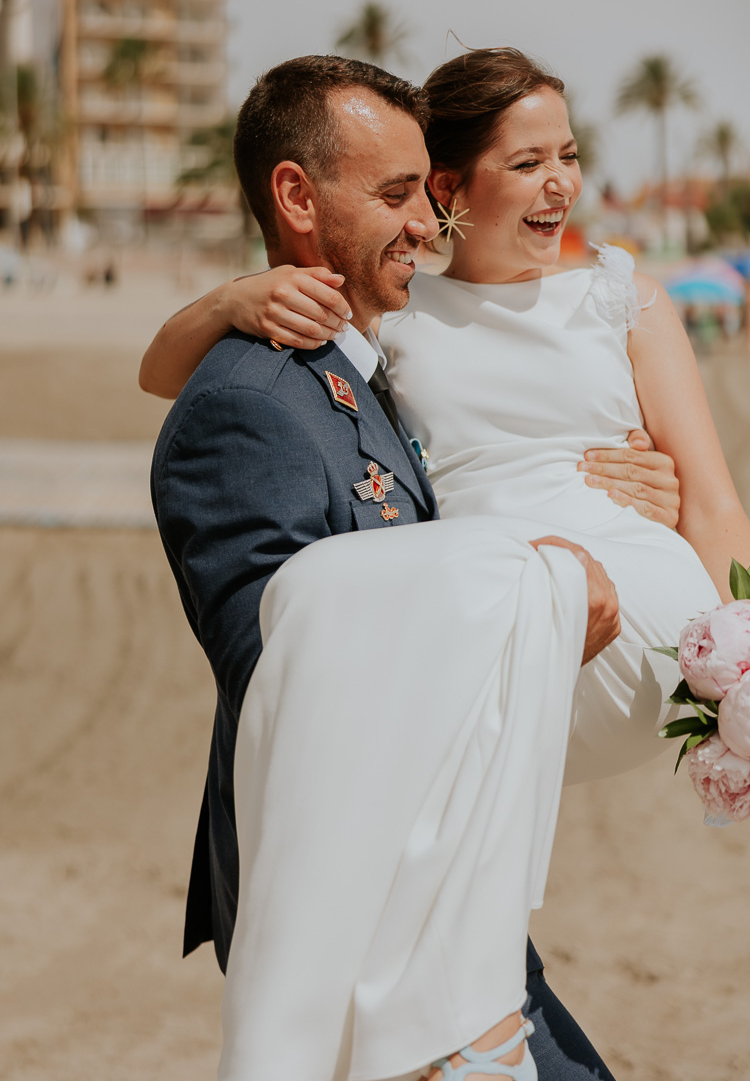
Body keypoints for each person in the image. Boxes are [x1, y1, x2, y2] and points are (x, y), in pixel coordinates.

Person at [150, 56, 629, 1081]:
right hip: (354, 913)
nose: (427, 222)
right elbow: (283, 665)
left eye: (426, 191)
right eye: (395, 194)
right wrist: (524, 588)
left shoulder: (357, 366)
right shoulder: (250, 404)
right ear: (295, 196)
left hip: (428, 871)